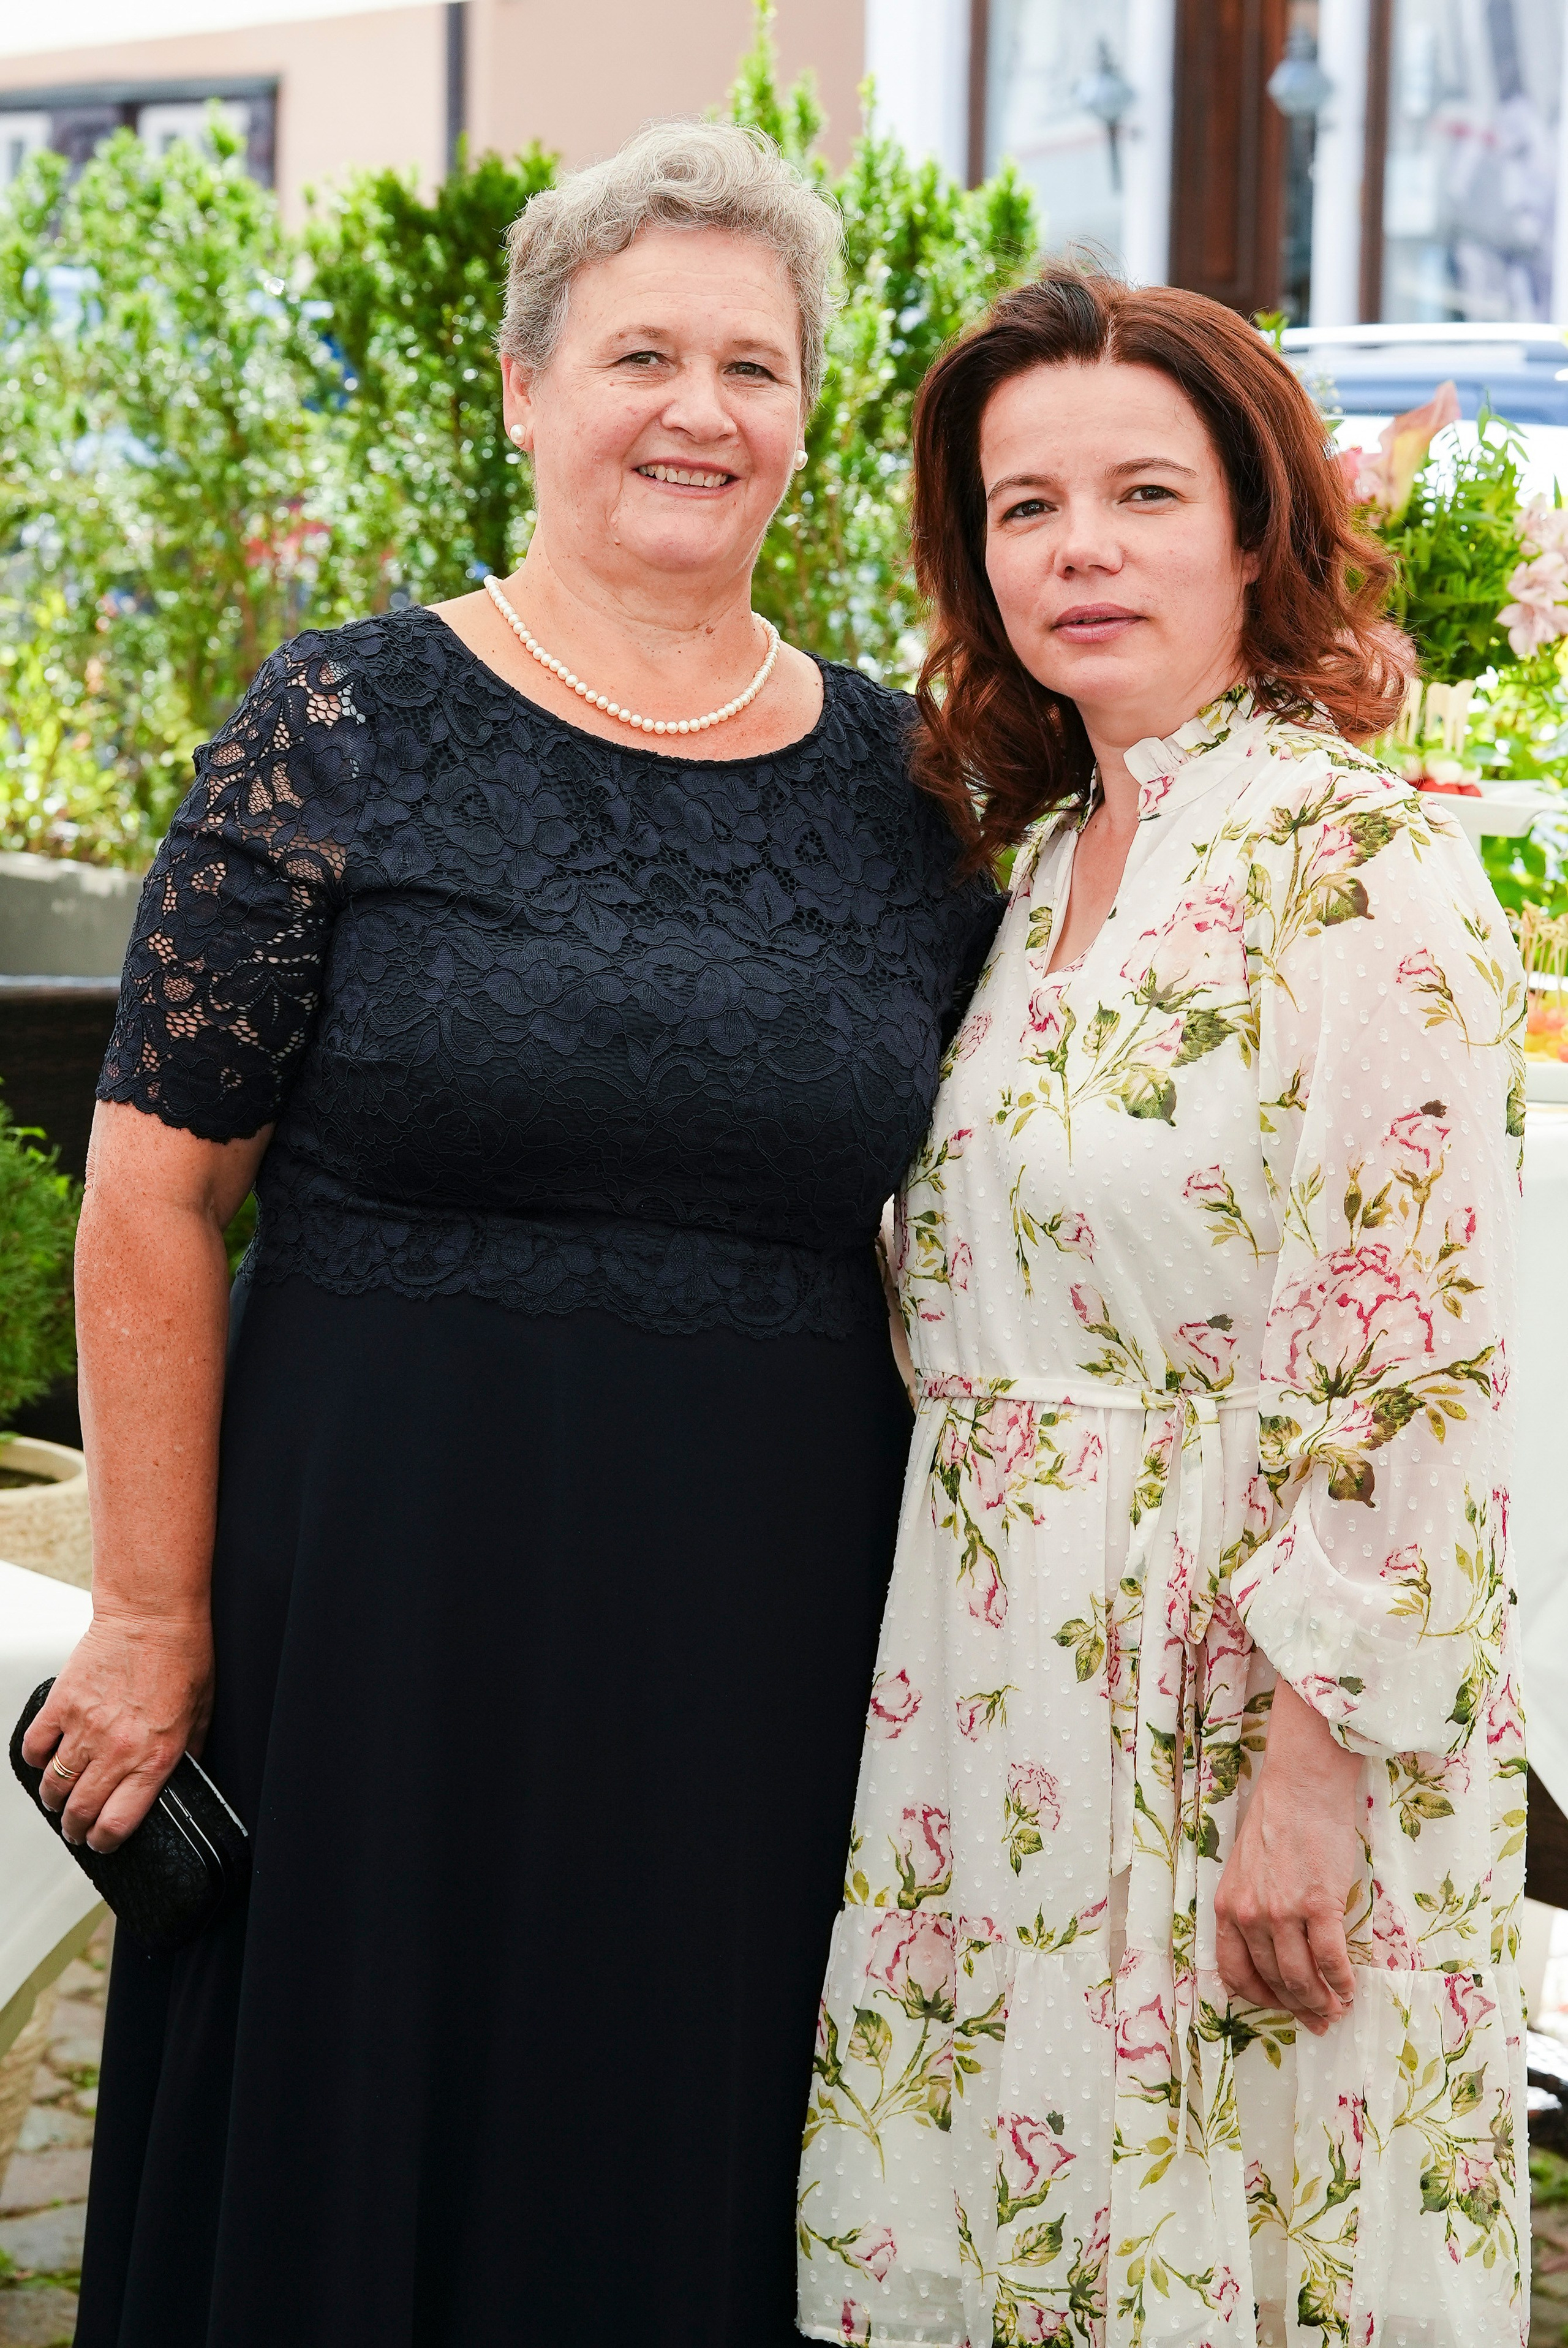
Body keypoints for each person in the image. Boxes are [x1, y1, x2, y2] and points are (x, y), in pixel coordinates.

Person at [22, 124, 999, 2348]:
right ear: (522, 389)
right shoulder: (342, 722)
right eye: (640, 350)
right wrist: (151, 1611)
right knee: (353, 2122)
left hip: (762, 1606)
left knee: (689, 2111)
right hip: (376, 1589)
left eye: (754, 364)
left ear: (807, 418)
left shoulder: (915, 787)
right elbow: (158, 1188)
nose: (699, 408)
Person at [797, 266, 1526, 2348]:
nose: (1081, 548)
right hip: (1000, 1683)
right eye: (1026, 507)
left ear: (1254, 529)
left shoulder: (1358, 863)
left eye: (1141, 491)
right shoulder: (1040, 869)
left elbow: (1422, 1351)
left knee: (1234, 2234)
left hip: (1247, 1695)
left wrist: (1318, 1762)